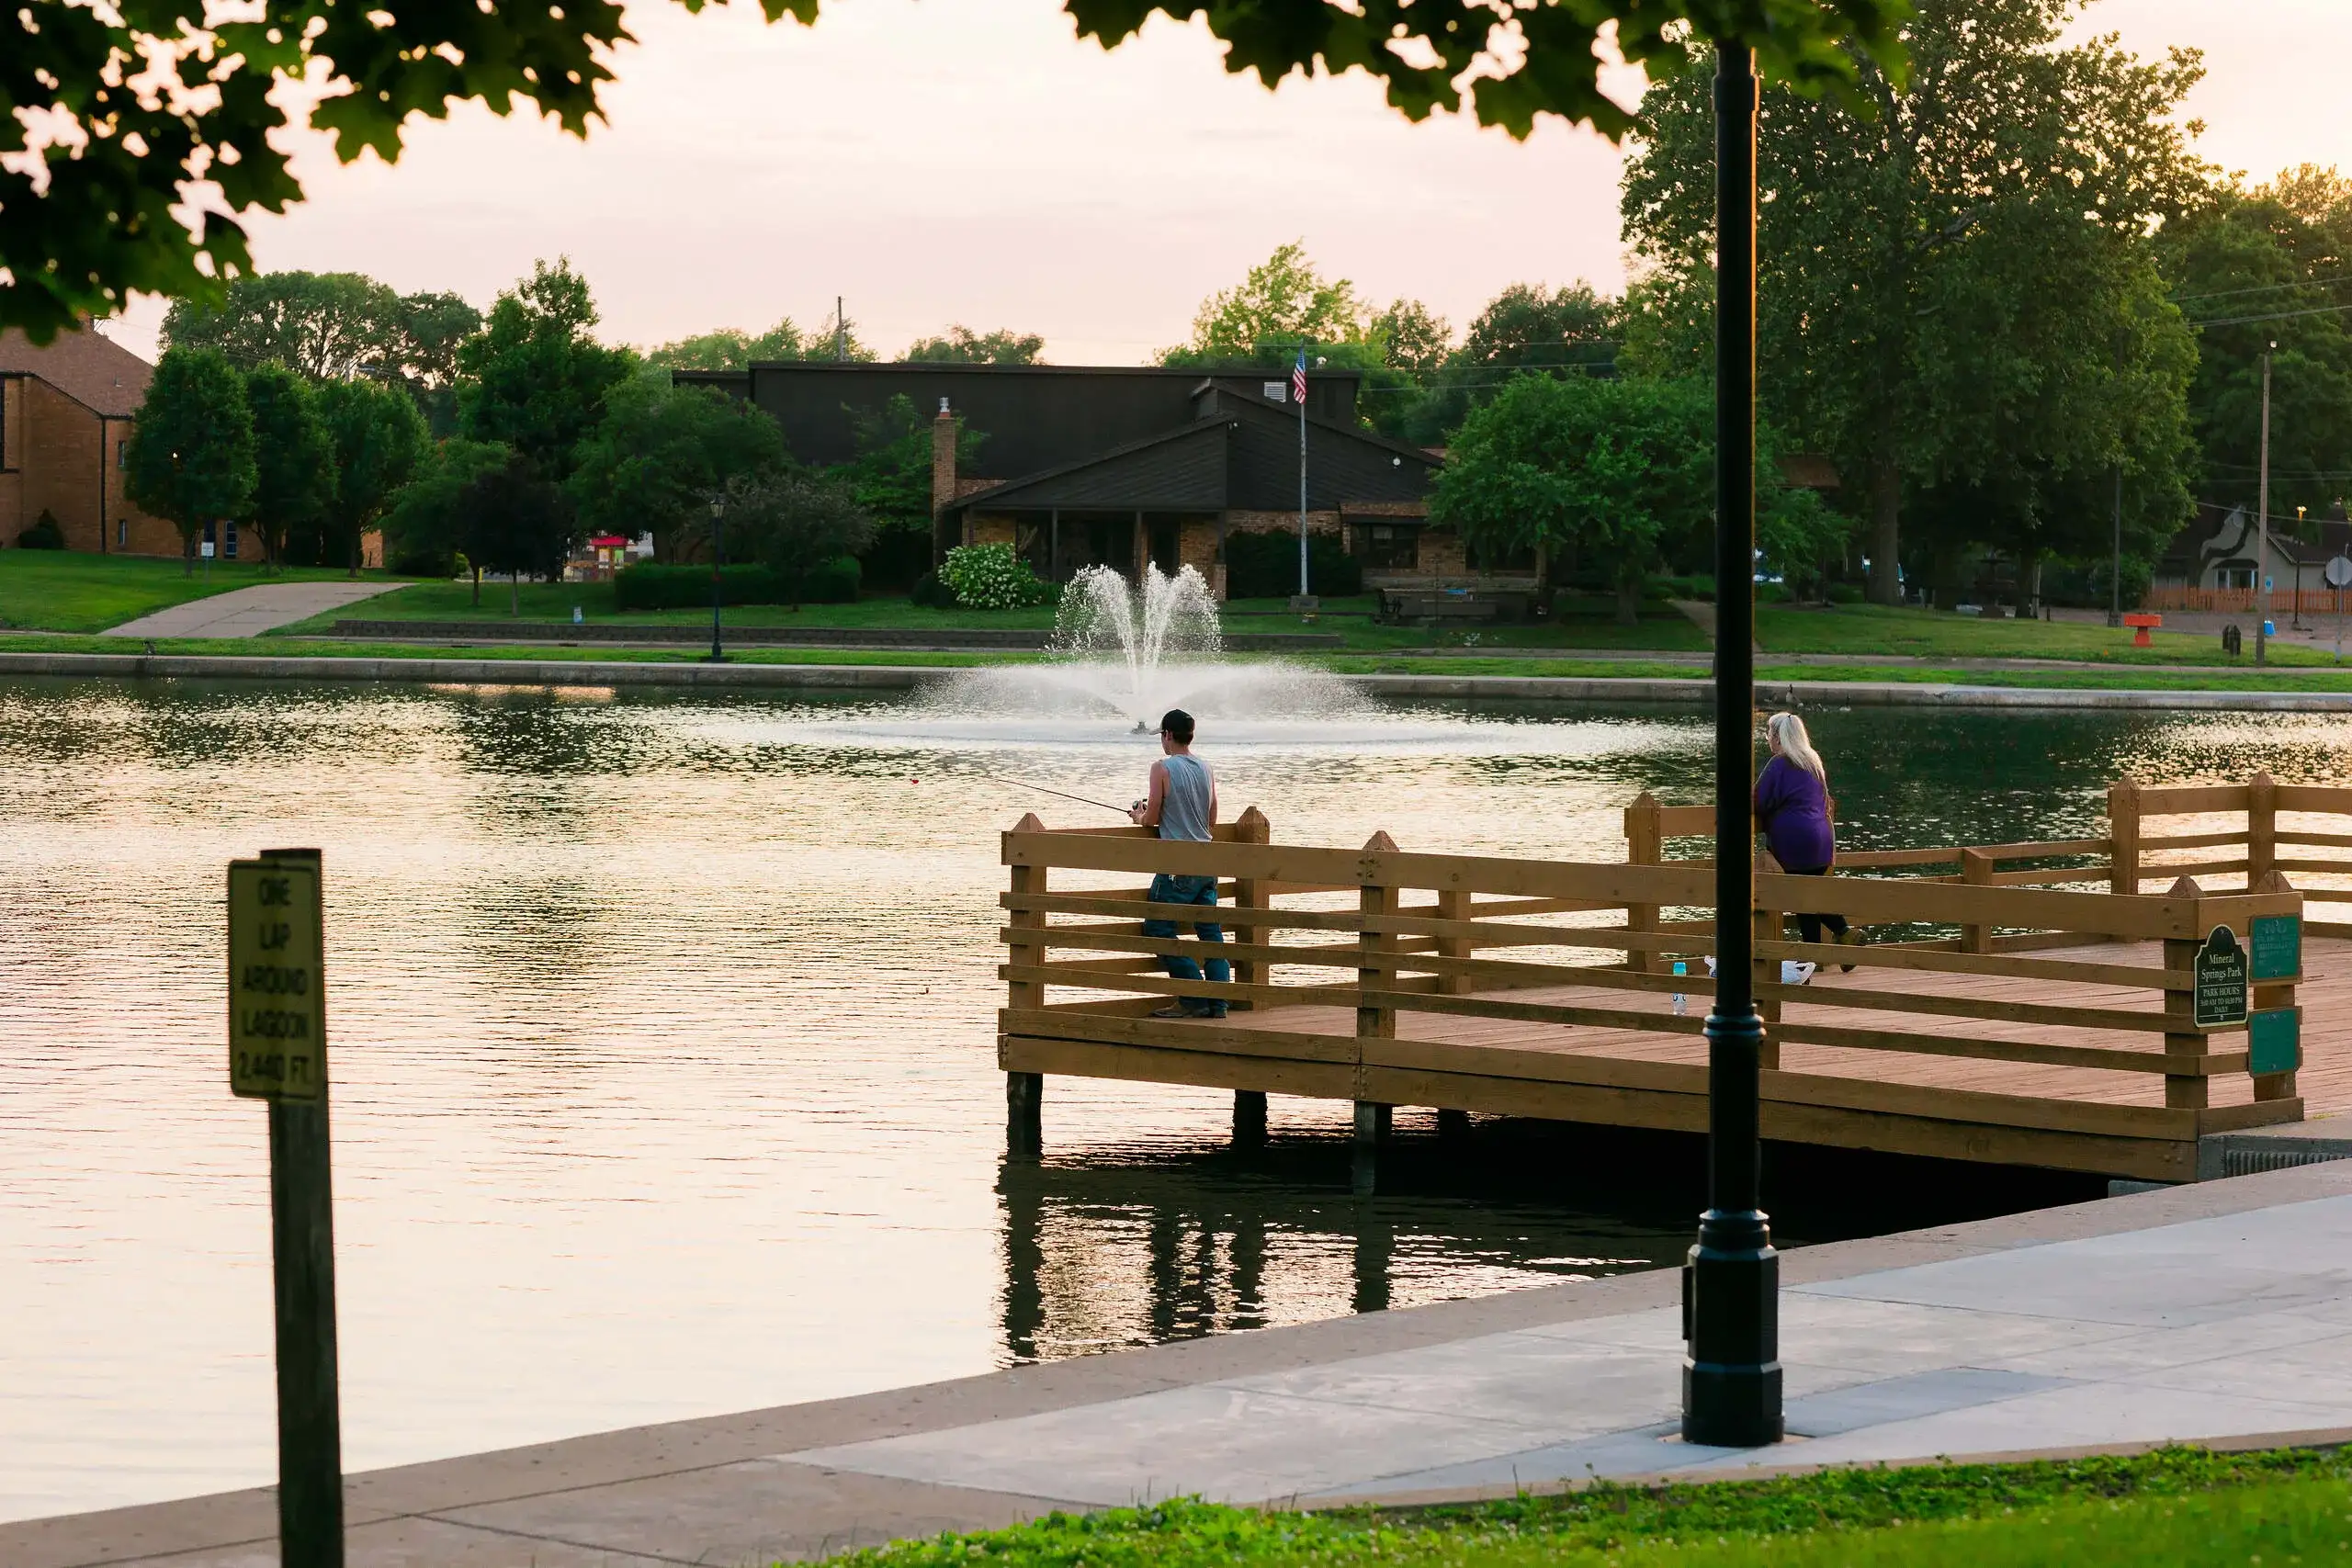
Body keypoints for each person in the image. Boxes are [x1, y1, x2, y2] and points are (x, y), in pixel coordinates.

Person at [1130, 707, 1229, 1019]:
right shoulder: (1206, 767)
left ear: (1167, 735)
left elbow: (1154, 817)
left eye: (1162, 735)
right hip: (1207, 862)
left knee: (1158, 927)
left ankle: (1192, 996)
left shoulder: (1161, 768)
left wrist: (1138, 816)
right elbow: (1211, 818)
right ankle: (1219, 1003)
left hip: (1176, 867)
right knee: (1210, 934)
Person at [1754, 711, 1856, 971]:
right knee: (1808, 894)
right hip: (1821, 838)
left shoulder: (1779, 764)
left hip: (1793, 840)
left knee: (1803, 897)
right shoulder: (1813, 761)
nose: (1768, 738)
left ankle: (1840, 935)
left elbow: (1759, 801)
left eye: (1769, 733)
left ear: (1778, 737)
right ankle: (1823, 951)